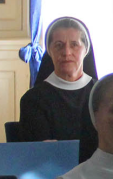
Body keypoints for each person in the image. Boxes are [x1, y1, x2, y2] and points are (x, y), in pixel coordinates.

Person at [18, 17, 98, 147]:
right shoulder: (33, 100)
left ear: (86, 50)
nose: (66, 53)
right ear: (49, 51)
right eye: (59, 45)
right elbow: (40, 153)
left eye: (74, 44)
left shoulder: (103, 94)